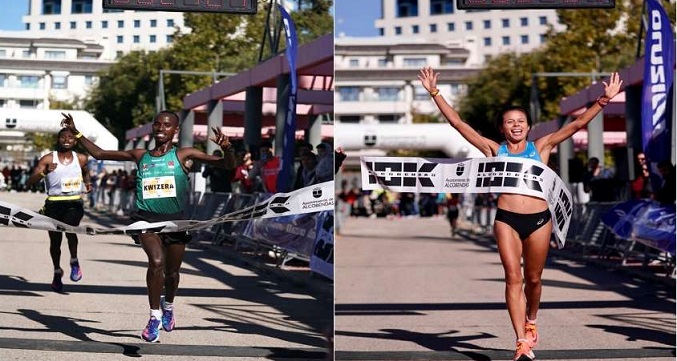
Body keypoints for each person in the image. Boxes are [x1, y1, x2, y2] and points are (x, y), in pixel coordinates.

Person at [419, 66, 622, 361]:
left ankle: (532, 319)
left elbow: (575, 125)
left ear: (528, 126)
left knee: (534, 279)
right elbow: (459, 125)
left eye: (521, 121)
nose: (516, 125)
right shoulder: (493, 149)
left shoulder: (541, 147)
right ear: (502, 128)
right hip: (507, 220)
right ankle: (520, 342)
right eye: (509, 122)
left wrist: (603, 101)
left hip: (539, 221)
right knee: (513, 278)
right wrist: (435, 93)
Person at [60, 110, 235, 343]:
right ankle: (154, 317)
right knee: (157, 262)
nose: (161, 128)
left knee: (172, 274)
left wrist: (228, 149)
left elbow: (227, 166)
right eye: (157, 124)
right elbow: (100, 153)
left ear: (175, 130)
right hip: (146, 219)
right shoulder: (140, 155)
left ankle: (168, 305)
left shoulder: (185, 154)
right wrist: (77, 132)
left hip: (175, 221)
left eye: (166, 125)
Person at [26, 128, 92, 293]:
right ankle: (57, 271)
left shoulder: (82, 158)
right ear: (58, 139)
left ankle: (74, 261)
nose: (66, 140)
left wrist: (88, 183)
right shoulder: (48, 159)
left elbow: (85, 172)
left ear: (75, 141)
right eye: (63, 137)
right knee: (55, 242)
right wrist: (44, 172)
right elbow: (29, 181)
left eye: (70, 137)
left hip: (74, 202)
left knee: (70, 227)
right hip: (53, 204)